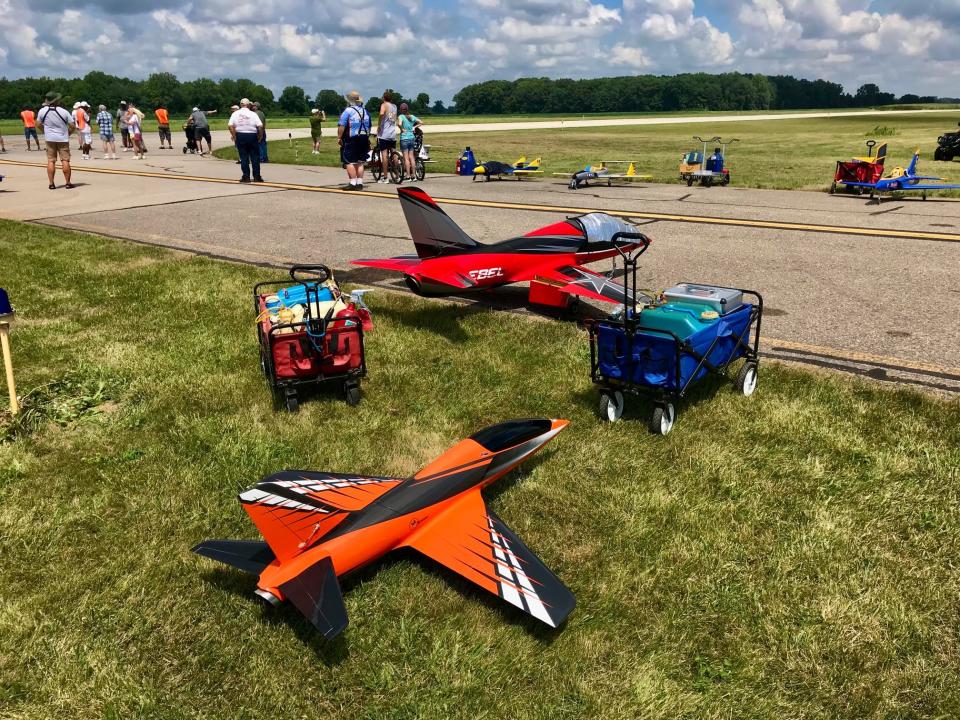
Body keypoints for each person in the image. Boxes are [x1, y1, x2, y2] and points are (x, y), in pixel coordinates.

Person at [36, 91, 76, 189]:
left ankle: (51, 184)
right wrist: (68, 133)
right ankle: (68, 182)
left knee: (51, 161)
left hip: (49, 139)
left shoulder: (42, 111)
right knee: (65, 160)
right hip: (62, 138)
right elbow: (72, 125)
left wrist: (45, 131)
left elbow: (37, 124)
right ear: (56, 100)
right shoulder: (64, 111)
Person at [337, 90, 370, 191]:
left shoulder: (348, 111)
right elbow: (369, 126)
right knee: (360, 161)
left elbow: (342, 125)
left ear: (350, 100)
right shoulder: (365, 111)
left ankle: (353, 182)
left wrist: (339, 137)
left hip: (352, 138)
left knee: (349, 161)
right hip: (364, 137)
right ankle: (360, 182)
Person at [227, 98, 264, 183]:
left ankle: (246, 177)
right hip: (252, 135)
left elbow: (230, 126)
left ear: (241, 105)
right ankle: (257, 177)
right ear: (249, 105)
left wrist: (234, 136)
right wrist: (260, 136)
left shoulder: (235, 113)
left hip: (240, 135)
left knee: (244, 157)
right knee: (255, 157)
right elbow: (260, 126)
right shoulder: (253, 114)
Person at [376, 92, 398, 184]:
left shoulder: (384, 105)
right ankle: (397, 174)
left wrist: (379, 124)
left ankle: (385, 177)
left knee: (384, 155)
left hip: (384, 134)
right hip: (392, 133)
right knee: (394, 154)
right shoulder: (395, 106)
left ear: (384, 98)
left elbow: (381, 114)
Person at [397, 103, 422, 182]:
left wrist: (401, 129)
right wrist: (414, 127)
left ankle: (408, 175)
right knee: (411, 157)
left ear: (401, 110)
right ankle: (414, 175)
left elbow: (399, 124)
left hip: (404, 138)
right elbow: (421, 122)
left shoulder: (401, 116)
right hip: (411, 138)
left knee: (406, 158)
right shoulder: (412, 117)